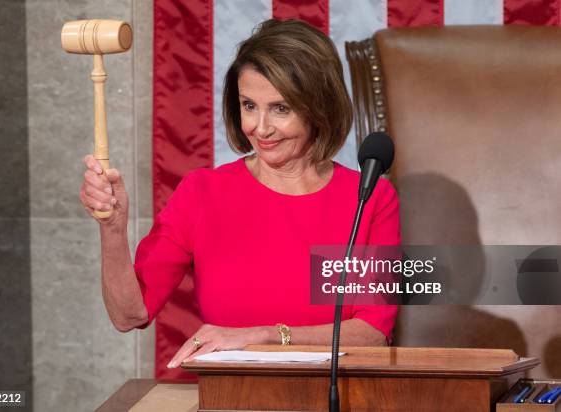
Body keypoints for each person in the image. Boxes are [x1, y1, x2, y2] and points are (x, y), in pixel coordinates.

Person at [79, 19, 400, 370]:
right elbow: (130, 314)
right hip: (230, 398)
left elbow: (372, 332)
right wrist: (113, 229)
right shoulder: (203, 193)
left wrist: (265, 337)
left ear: (320, 107)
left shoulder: (371, 197)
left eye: (281, 108)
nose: (259, 128)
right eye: (249, 105)